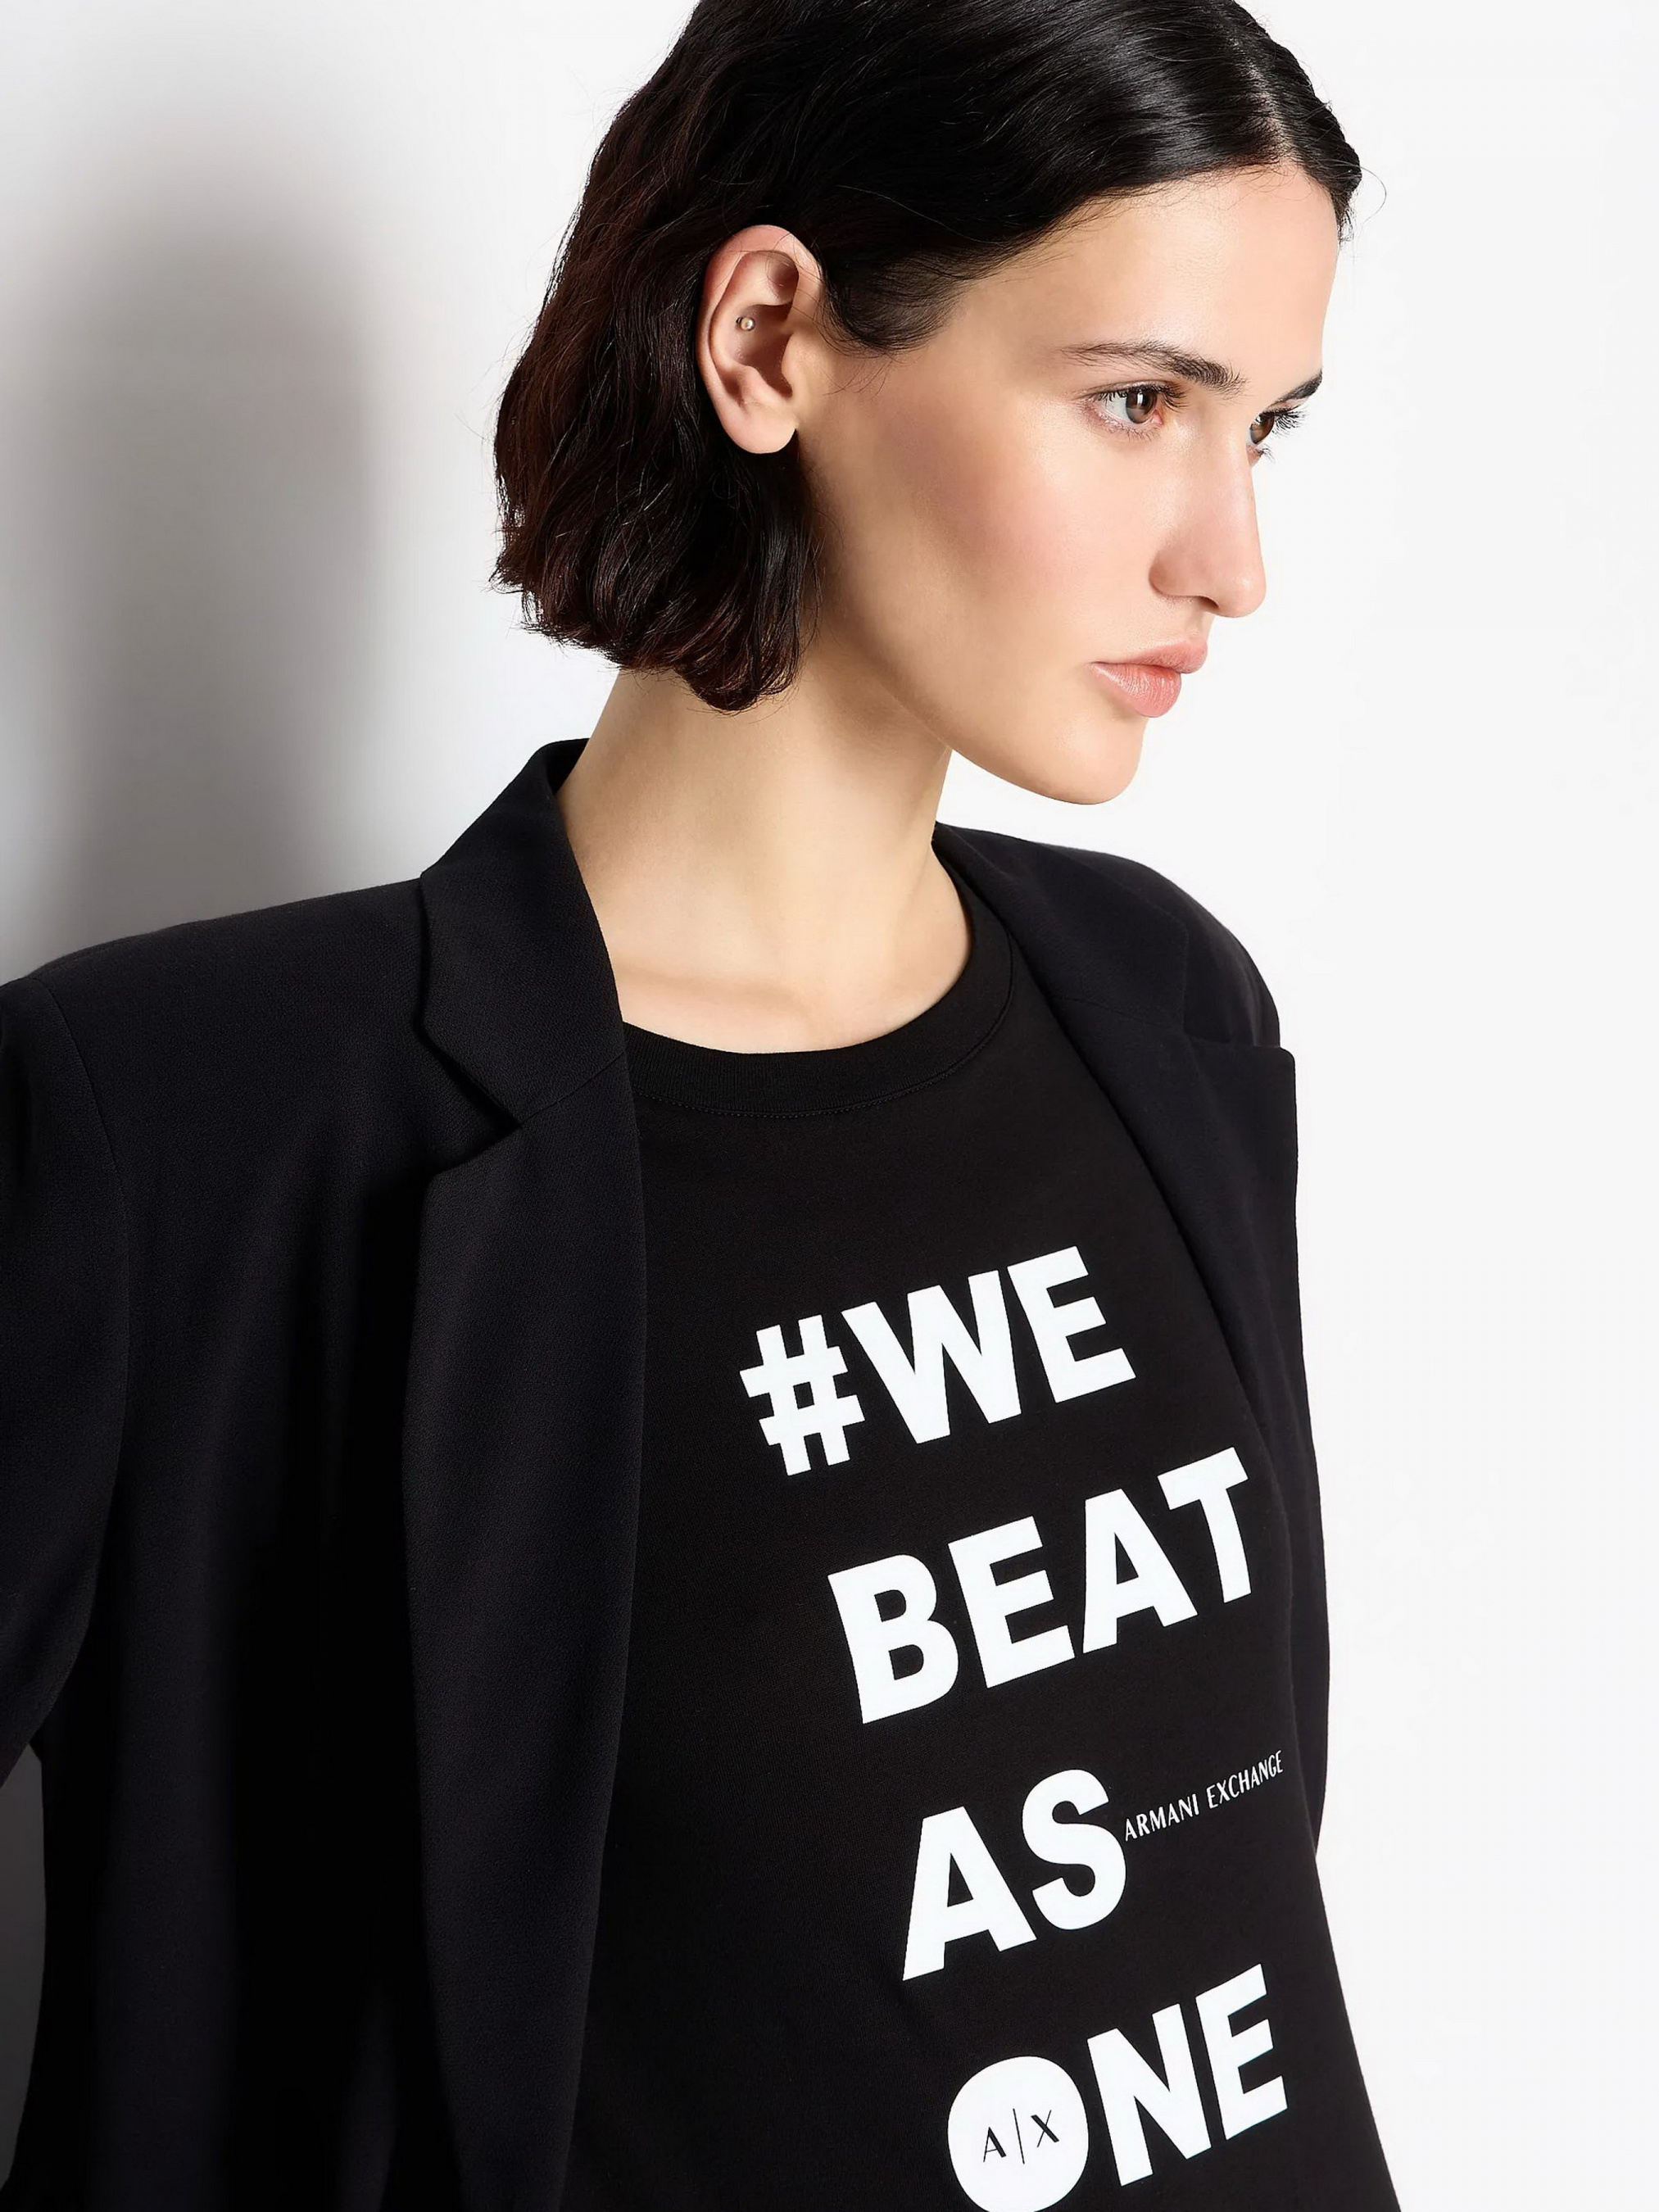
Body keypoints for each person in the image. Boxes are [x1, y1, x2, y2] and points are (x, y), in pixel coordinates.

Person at [0, 0, 1399, 2205]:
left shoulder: (1165, 1005)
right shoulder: (192, 1128)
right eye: (1137, 400)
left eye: (1264, 428)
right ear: (764, 341)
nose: (1227, 559)